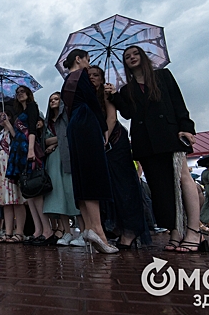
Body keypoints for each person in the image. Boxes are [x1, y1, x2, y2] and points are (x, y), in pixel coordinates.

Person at [106, 45, 205, 253]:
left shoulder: (163, 76)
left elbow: (178, 102)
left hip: (169, 135)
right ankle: (175, 230)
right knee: (160, 189)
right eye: (127, 57)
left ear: (143, 57)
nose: (132, 58)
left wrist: (187, 127)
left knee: (182, 178)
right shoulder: (127, 89)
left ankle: (194, 230)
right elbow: (128, 114)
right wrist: (114, 95)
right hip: (145, 143)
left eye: (135, 54)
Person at [61, 49, 117, 254]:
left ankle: (90, 227)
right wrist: (103, 127)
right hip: (86, 121)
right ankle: (98, 231)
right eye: (87, 59)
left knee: (82, 176)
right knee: (93, 174)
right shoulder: (81, 75)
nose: (89, 64)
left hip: (74, 125)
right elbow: (93, 104)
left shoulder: (67, 80)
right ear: (79, 58)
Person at [89, 65, 150, 249]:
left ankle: (130, 232)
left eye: (96, 75)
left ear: (102, 77)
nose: (92, 78)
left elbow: (111, 117)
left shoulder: (106, 93)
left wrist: (104, 137)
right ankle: (118, 228)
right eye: (89, 75)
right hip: (102, 145)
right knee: (111, 189)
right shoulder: (88, 97)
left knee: (124, 186)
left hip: (114, 142)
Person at [5, 86, 54, 246]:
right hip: (19, 150)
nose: (20, 94)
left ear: (28, 94)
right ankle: (37, 230)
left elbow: (32, 129)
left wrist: (31, 149)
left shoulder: (33, 107)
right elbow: (15, 134)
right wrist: (7, 123)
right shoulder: (19, 114)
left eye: (22, 91)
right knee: (28, 193)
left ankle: (47, 230)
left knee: (35, 190)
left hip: (28, 149)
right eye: (17, 93)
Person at [41, 93, 80, 246]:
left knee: (71, 192)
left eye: (56, 99)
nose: (53, 102)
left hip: (67, 157)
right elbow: (44, 141)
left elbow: (71, 134)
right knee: (57, 195)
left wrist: (57, 140)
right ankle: (66, 232)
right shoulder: (47, 122)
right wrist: (60, 139)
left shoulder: (67, 118)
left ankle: (83, 232)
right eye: (50, 100)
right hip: (52, 160)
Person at [0, 109, 27, 243]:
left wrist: (9, 125)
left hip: (12, 166)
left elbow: (17, 138)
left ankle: (19, 231)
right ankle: (8, 231)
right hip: (0, 168)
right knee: (6, 202)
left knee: (17, 200)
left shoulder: (15, 129)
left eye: (4, 115)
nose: (1, 117)